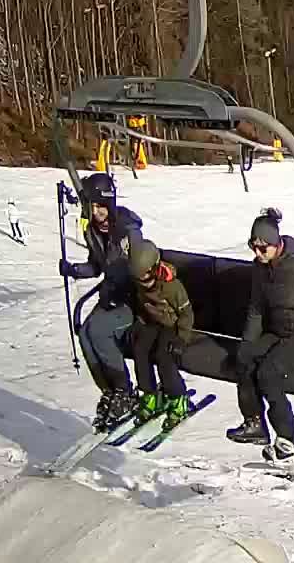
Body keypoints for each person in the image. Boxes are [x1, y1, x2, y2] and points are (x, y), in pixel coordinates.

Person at [225, 209, 294, 462]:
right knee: (243, 359)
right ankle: (254, 424)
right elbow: (257, 307)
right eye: (254, 247)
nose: (258, 253)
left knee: (268, 374)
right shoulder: (260, 269)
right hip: (275, 332)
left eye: (264, 248)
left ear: (277, 244)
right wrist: (248, 342)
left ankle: (288, 439)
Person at [60, 172, 145, 431]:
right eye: (92, 206)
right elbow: (97, 266)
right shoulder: (93, 231)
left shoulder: (127, 230)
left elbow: (137, 269)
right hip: (110, 297)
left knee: (97, 331)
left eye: (101, 206)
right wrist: (74, 270)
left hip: (133, 300)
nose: (97, 212)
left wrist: (120, 282)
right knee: (85, 333)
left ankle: (124, 390)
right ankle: (109, 390)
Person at [126, 238, 196, 426]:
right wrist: (140, 324)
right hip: (152, 323)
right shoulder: (139, 283)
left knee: (164, 356)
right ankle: (150, 394)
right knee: (140, 350)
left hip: (172, 325)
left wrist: (182, 337)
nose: (145, 282)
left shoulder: (172, 286)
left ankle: (178, 397)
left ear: (156, 268)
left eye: (148, 276)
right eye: (140, 278)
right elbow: (142, 305)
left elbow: (186, 313)